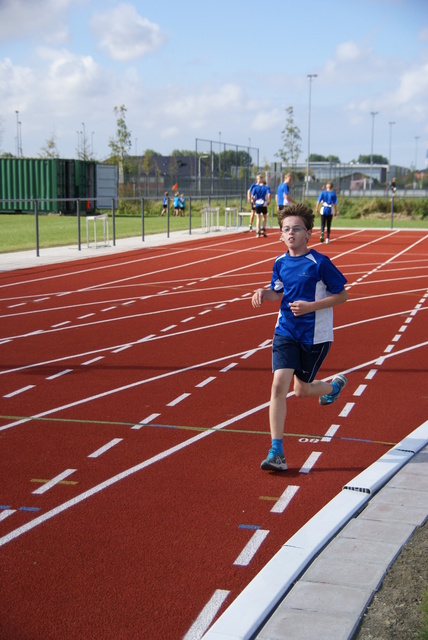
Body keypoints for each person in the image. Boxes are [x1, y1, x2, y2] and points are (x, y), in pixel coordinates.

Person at [251, 202, 348, 471]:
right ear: (281, 235)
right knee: (278, 385)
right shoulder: (280, 263)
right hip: (285, 331)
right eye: (285, 229)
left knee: (302, 389)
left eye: (296, 228)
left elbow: (342, 295)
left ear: (308, 234)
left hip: (315, 335)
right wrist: (263, 292)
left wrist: (310, 307)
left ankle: (333, 387)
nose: (291, 233)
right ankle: (277, 452)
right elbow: (278, 292)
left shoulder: (320, 263)